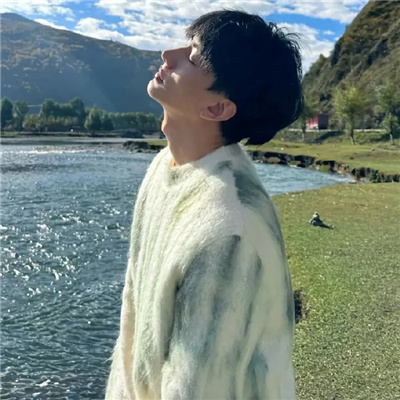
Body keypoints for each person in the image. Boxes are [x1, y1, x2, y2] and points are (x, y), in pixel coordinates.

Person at [106, 9, 304, 400]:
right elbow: (134, 311)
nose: (168, 55)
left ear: (217, 108)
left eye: (193, 57)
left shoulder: (230, 230)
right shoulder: (166, 166)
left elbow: (197, 386)